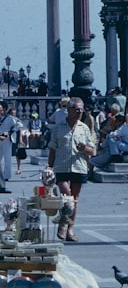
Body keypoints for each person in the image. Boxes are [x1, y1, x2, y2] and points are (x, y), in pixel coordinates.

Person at [47, 97, 95, 242]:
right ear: (68, 110)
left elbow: (92, 150)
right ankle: (63, 223)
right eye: (76, 109)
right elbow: (52, 148)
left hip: (79, 166)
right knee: (66, 195)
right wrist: (49, 166)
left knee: (74, 199)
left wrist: (84, 148)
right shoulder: (58, 128)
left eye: (81, 109)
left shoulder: (84, 128)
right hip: (61, 165)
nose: (79, 112)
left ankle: (70, 229)